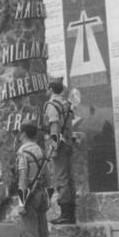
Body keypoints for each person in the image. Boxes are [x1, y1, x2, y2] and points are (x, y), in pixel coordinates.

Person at [15, 120, 54, 237]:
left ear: (24, 134)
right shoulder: (40, 150)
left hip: (29, 196)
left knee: (30, 233)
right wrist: (49, 196)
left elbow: (23, 178)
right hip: (41, 194)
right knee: (42, 231)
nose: (18, 135)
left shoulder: (23, 152)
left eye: (20, 132)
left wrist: (21, 202)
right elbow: (48, 175)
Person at [43, 77, 76, 225]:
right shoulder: (66, 103)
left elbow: (54, 126)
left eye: (47, 88)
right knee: (69, 178)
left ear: (51, 89)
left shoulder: (52, 105)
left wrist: (54, 147)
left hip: (59, 144)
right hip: (68, 143)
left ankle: (66, 215)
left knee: (61, 178)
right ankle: (71, 213)